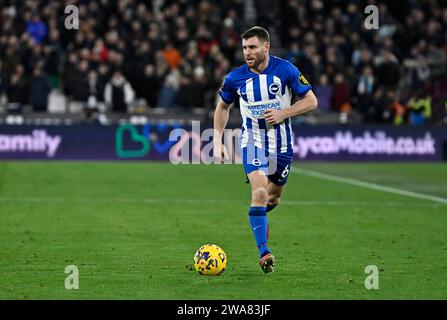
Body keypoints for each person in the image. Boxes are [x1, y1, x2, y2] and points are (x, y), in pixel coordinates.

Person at [213, 26, 318, 274]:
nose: (247, 52)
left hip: (282, 146)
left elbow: (311, 101)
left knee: (273, 198)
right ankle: (264, 252)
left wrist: (285, 112)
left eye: (252, 47)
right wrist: (218, 139)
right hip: (253, 143)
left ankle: (259, 216)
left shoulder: (286, 70)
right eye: (244, 48)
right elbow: (222, 107)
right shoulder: (235, 78)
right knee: (259, 192)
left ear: (266, 47)